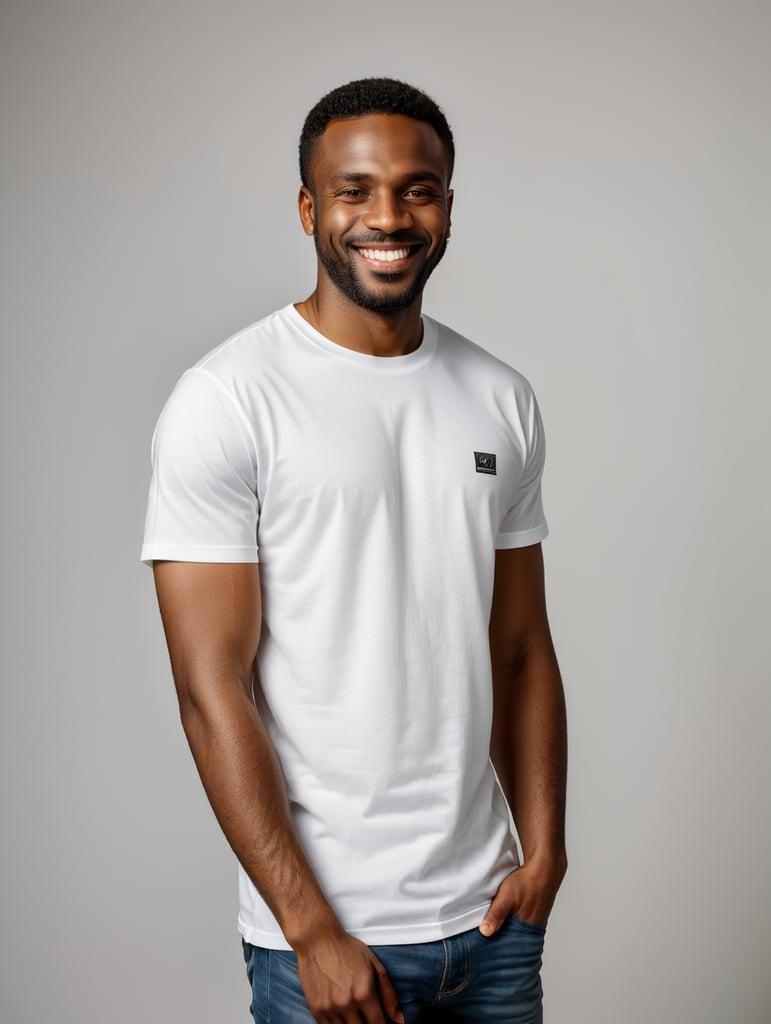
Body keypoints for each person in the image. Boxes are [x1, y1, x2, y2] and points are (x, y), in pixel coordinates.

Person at [142, 77, 567, 1024]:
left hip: (491, 927)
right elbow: (211, 686)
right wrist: (309, 929)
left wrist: (544, 852)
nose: (388, 215)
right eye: (354, 189)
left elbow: (522, 645)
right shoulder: (227, 400)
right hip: (329, 941)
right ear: (308, 208)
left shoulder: (501, 396)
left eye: (417, 189)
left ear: (447, 206)